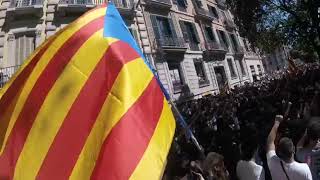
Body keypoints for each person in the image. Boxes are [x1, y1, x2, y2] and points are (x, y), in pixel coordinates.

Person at [266, 115, 312, 180]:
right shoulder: (304, 169)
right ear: (293, 150)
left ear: (278, 152)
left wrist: (277, 123)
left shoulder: (273, 162)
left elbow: (270, 142)